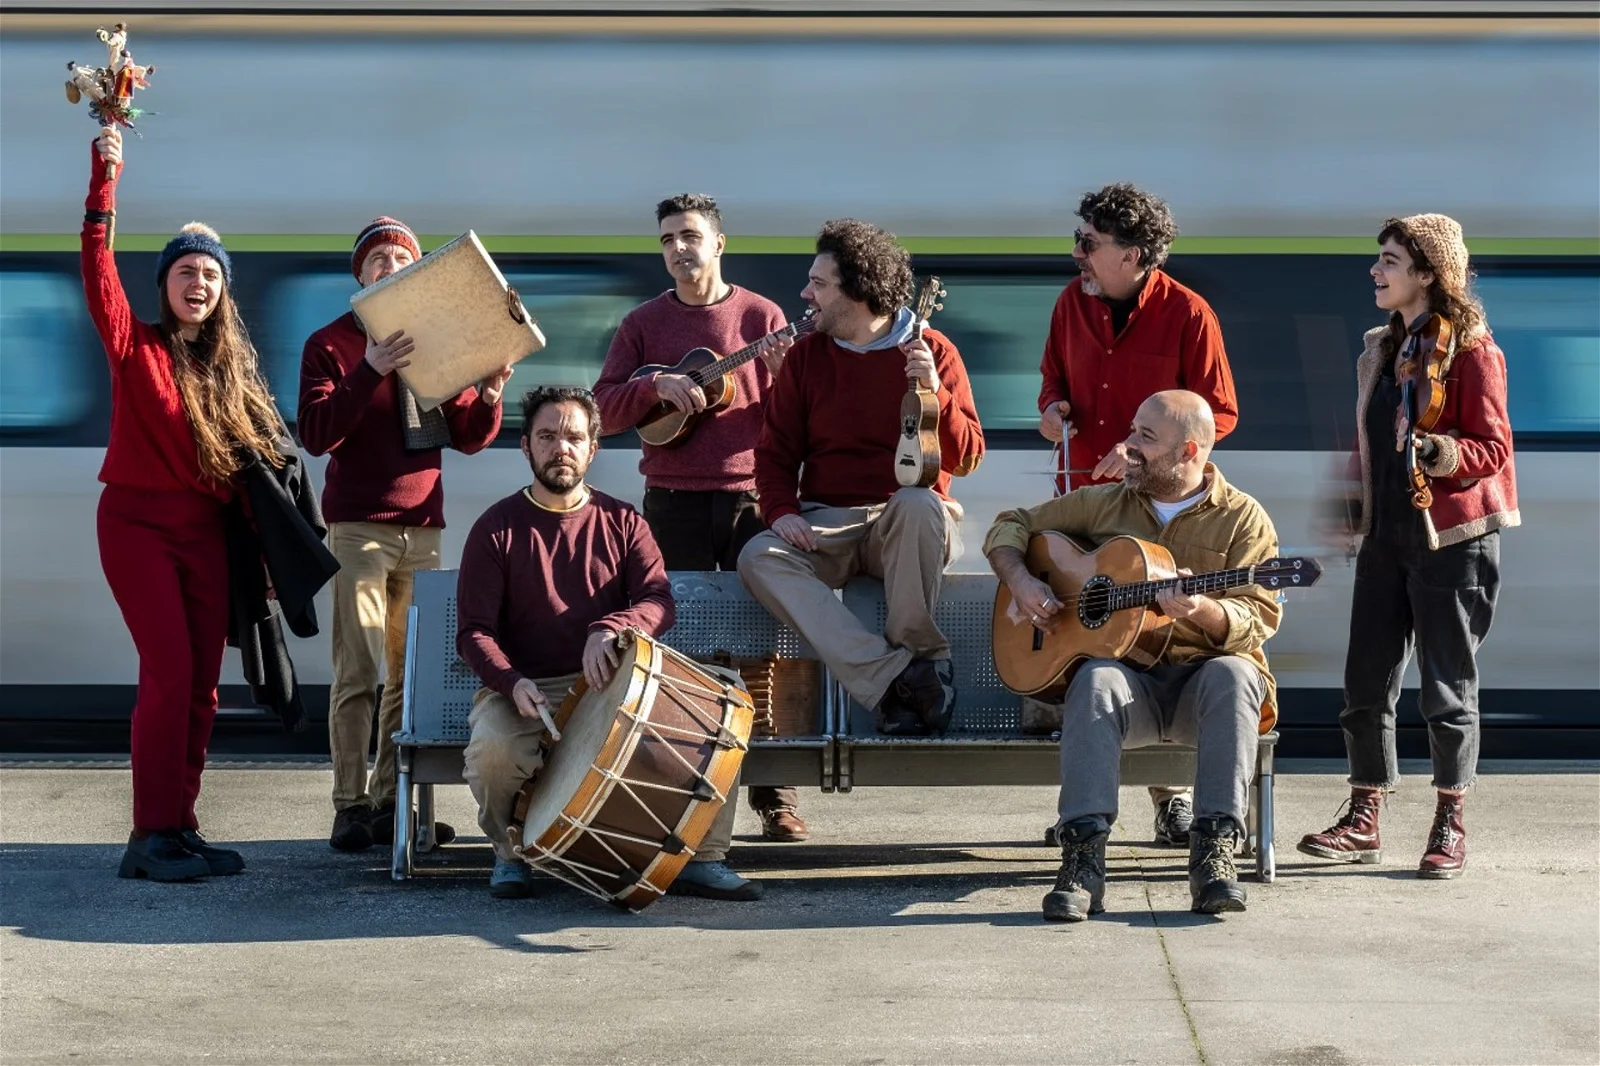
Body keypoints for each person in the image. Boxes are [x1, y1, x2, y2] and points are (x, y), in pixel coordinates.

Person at [456, 387, 763, 902]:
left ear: (593, 448)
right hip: (528, 688)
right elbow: (474, 633)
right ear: (526, 448)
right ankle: (510, 854)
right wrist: (511, 683)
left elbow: (658, 600)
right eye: (547, 437)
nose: (561, 448)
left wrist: (614, 627)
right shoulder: (497, 529)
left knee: (718, 707)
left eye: (574, 437)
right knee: (492, 750)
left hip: (613, 681)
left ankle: (701, 856)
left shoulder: (624, 522)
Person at [986, 391, 1282, 920]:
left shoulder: (1243, 519)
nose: (1129, 446)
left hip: (1201, 689)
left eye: (1146, 437)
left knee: (1235, 675)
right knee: (1096, 677)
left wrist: (1201, 610)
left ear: (1189, 450)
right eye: (1133, 430)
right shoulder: (1106, 502)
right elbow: (1012, 523)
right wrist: (1023, 580)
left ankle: (1214, 854)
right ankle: (1082, 860)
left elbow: (1258, 618)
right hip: (1132, 687)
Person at [84, 125, 288, 881]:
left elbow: (255, 483)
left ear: (223, 290)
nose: (198, 283)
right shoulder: (132, 345)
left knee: (203, 685)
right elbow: (96, 265)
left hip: (205, 534)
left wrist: (266, 561)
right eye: (185, 272)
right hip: (135, 525)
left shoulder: (232, 376)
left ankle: (180, 824)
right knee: (168, 673)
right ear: (164, 285)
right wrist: (105, 174)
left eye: (210, 274)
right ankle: (148, 836)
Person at [1298, 214, 1519, 880]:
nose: (1376, 271)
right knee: (1365, 681)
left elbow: (1495, 448)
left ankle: (1450, 820)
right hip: (1385, 536)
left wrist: (1442, 450)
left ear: (1428, 273)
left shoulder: (1474, 350)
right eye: (1379, 260)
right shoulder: (1379, 346)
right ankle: (1364, 814)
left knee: (1446, 690)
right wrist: (1350, 503)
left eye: (1390, 261)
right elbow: (1368, 437)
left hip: (1452, 538)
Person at [593, 193, 808, 844]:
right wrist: (654, 387)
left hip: (747, 499)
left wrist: (781, 379)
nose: (678, 248)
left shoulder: (763, 317)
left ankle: (775, 796)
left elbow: (793, 424)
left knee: (759, 649)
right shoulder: (641, 325)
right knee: (677, 647)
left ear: (719, 244)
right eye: (667, 239)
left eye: (690, 235)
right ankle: (677, 793)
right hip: (671, 500)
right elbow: (603, 409)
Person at [1035, 183, 1242, 847]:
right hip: (1084, 510)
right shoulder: (1072, 303)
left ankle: (1171, 799)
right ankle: (1083, 801)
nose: (1077, 254)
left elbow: (1220, 414)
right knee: (1080, 643)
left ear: (1133, 255)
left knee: (1147, 641)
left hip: (1156, 514)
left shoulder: (1189, 314)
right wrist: (1053, 410)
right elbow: (1052, 382)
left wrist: (1138, 452)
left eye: (1090, 244)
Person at [297, 217, 514, 854]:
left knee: (407, 674)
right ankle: (349, 804)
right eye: (378, 259)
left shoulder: (435, 340)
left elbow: (470, 437)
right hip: (359, 529)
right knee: (359, 668)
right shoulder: (331, 344)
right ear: (360, 275)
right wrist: (368, 369)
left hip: (422, 530)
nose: (390, 265)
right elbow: (316, 434)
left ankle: (391, 803)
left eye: (402, 257)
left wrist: (491, 392)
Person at [738, 220, 984, 736]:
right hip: (828, 522)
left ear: (858, 292)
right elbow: (774, 454)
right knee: (758, 556)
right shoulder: (806, 358)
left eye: (819, 284)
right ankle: (901, 676)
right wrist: (781, 512)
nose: (806, 295)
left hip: (905, 521)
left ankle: (923, 660)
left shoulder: (934, 350)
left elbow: (966, 459)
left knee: (919, 503)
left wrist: (935, 393)